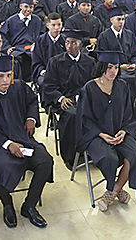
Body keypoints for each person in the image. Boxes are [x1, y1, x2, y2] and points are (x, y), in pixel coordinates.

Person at [0, 55, 53, 229]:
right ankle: (7, 204)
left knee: (45, 161)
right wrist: (7, 144)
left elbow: (32, 101)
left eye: (9, 75)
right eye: (1, 76)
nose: (6, 80)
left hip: (22, 137)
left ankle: (29, 206)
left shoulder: (20, 87)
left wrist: (31, 118)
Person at [76, 50, 136, 212]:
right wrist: (100, 134)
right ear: (101, 67)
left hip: (120, 131)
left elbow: (130, 115)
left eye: (117, 67)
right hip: (96, 134)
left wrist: (124, 131)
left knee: (135, 155)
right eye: (110, 67)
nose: (114, 71)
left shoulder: (123, 86)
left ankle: (112, 192)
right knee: (109, 157)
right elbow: (84, 119)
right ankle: (118, 189)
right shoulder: (89, 88)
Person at [41, 30, 96, 169]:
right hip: (65, 100)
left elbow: (94, 83)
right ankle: (71, 156)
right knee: (72, 116)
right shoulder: (55, 62)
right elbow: (48, 85)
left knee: (100, 111)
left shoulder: (90, 62)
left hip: (85, 98)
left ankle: (93, 151)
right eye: (67, 42)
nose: (69, 46)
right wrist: (60, 98)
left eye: (73, 43)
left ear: (80, 45)